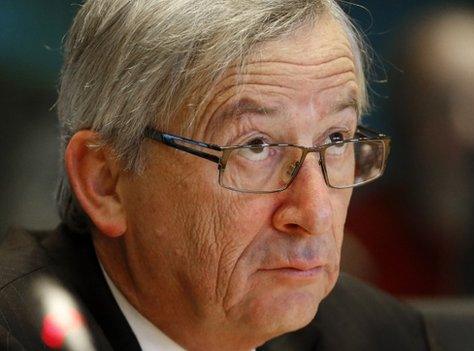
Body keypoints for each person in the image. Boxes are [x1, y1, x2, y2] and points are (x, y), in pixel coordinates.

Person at [0, 1, 430, 350]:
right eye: (255, 146)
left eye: (336, 140)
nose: (314, 213)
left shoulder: (381, 335)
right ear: (106, 182)